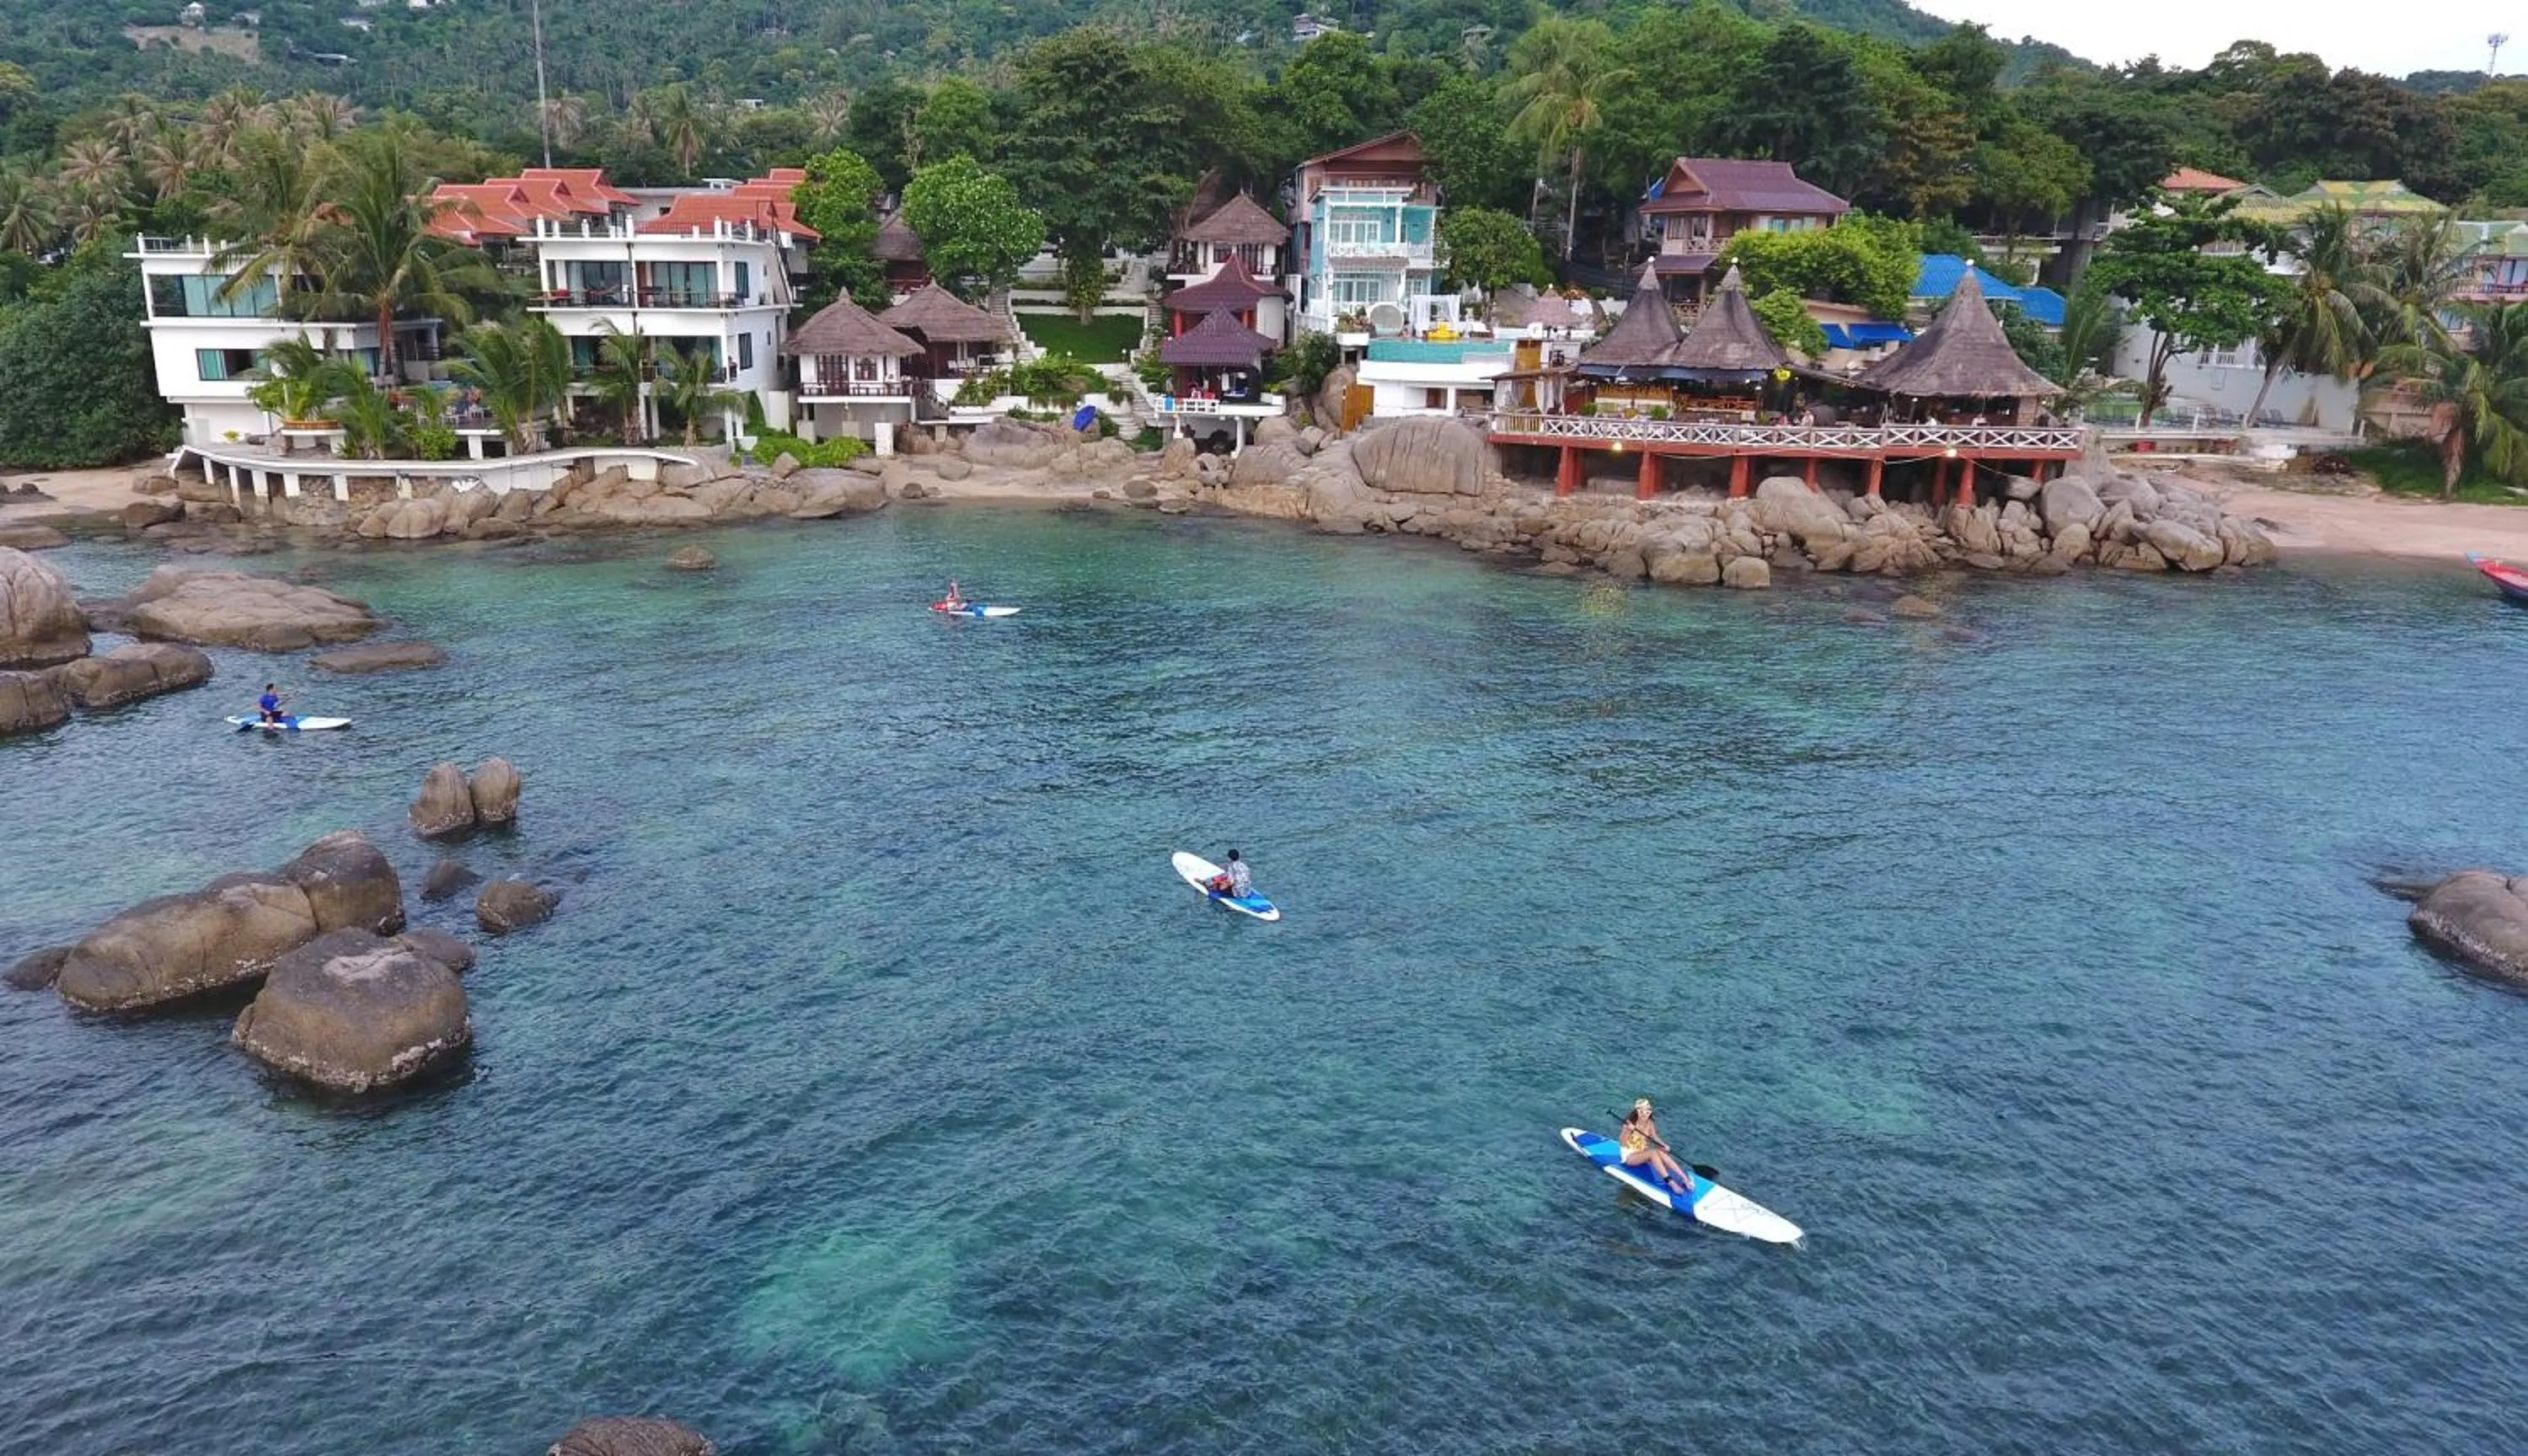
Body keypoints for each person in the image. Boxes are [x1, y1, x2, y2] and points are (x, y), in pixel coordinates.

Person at [1619, 1097, 1694, 1196]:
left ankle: (1684, 1178)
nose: (1647, 1113)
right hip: (1630, 1157)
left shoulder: (1650, 1122)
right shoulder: (1629, 1124)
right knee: (1653, 1152)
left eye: (1648, 1110)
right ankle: (1671, 1183)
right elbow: (1622, 1142)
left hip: (1642, 1153)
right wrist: (1630, 1130)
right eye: (1644, 1111)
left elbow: (1654, 1137)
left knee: (1660, 1152)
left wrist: (1664, 1145)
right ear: (1638, 1111)